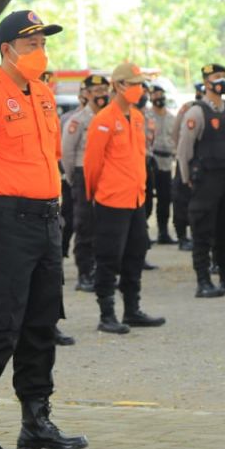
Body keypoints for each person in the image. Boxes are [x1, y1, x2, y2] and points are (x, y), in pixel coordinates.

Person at [0, 10, 87, 449]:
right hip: (5, 222)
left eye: (43, 44)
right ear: (7, 49)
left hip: (47, 221)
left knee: (40, 325)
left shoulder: (45, 95)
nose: (40, 52)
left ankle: (36, 420)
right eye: (31, 45)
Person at [84, 62, 166, 334]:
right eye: (134, 84)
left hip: (135, 199)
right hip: (111, 200)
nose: (139, 89)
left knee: (135, 254)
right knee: (109, 258)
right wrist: (95, 194)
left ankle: (132, 309)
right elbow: (92, 164)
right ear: (119, 86)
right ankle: (106, 314)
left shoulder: (138, 118)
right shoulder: (104, 120)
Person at [176, 64, 225, 298]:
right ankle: (203, 280)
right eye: (216, 78)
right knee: (202, 229)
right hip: (205, 178)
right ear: (206, 82)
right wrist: (186, 177)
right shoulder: (196, 112)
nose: (221, 82)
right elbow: (184, 149)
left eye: (223, 77)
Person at [61, 74, 107, 292]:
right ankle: (84, 274)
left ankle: (100, 270)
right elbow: (67, 155)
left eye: (104, 91)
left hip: (106, 176)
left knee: (103, 225)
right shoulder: (77, 121)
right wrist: (74, 179)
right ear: (86, 94)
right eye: (96, 92)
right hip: (83, 174)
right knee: (84, 225)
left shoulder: (110, 117)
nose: (102, 95)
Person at [170, 82, 204, 251]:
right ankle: (182, 236)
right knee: (181, 198)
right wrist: (183, 153)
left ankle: (199, 236)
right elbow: (176, 133)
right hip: (188, 159)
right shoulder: (188, 109)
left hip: (205, 163)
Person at [147, 84, 176, 244]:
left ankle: (163, 232)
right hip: (152, 162)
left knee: (165, 198)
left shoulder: (171, 117)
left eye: (161, 93)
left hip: (166, 162)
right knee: (148, 199)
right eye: (155, 94)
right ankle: (143, 233)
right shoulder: (146, 117)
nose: (159, 97)